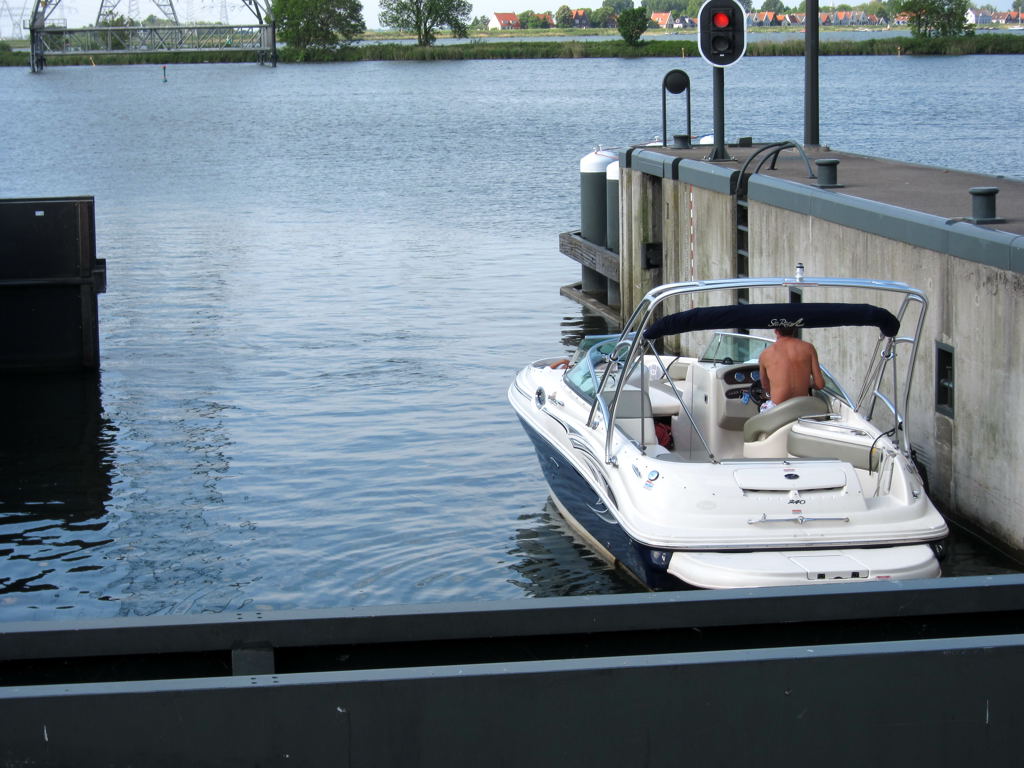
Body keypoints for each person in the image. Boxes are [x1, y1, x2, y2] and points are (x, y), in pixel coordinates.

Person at [757, 327, 826, 412]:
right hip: (802, 407)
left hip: (778, 409)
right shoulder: (808, 348)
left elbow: (765, 386)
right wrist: (807, 384)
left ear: (775, 331)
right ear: (794, 329)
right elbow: (820, 384)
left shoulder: (765, 354)